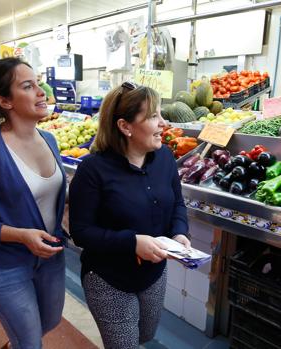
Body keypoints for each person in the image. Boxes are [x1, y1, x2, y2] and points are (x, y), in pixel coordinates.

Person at [68, 82, 190, 349]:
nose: (163, 123)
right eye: (153, 116)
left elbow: (178, 203)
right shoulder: (92, 169)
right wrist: (133, 242)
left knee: (144, 336)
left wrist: (180, 231)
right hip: (108, 279)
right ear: (125, 126)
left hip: (154, 275)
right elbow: (81, 231)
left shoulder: (165, 158)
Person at [0, 57, 67, 349]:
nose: (41, 91)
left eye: (39, 82)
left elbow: (46, 198)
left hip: (48, 257)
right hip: (1, 266)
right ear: (5, 100)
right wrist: (22, 236)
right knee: (30, 342)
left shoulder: (49, 140)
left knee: (50, 321)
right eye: (28, 86)